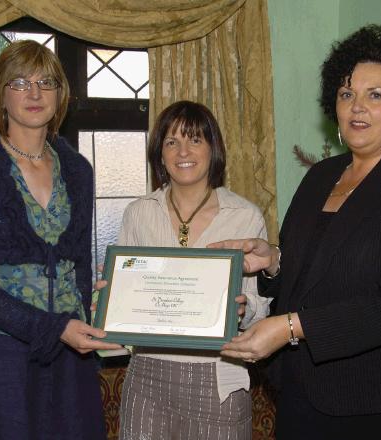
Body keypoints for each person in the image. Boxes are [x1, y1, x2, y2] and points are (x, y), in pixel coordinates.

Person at [212, 25, 381, 439]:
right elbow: (316, 268)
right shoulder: (323, 176)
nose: (356, 107)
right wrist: (273, 260)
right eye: (347, 94)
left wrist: (290, 328)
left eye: (374, 95)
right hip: (301, 389)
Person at [0, 40, 121, 440]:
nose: (35, 93)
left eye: (46, 82)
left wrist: (94, 308)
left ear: (61, 96)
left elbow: (79, 267)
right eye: (20, 82)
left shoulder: (78, 170)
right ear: (1, 94)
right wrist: (55, 327)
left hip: (69, 361)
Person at [116, 100, 270, 439]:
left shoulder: (245, 217)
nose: (183, 151)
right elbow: (125, 295)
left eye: (195, 139)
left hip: (220, 377)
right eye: (172, 142)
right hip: (147, 375)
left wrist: (244, 309)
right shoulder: (138, 213)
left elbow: (261, 308)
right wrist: (113, 302)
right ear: (160, 154)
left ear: (213, 148)